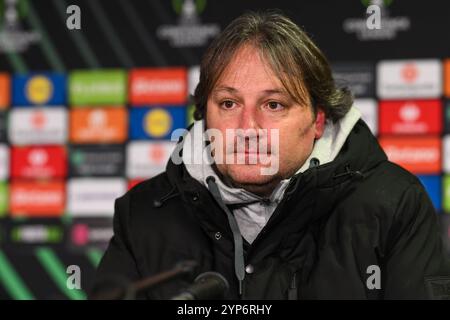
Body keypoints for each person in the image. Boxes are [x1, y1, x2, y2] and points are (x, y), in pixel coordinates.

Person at [92, 11, 450, 299]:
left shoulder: (394, 203)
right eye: (229, 103)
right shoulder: (142, 212)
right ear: (204, 114)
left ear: (317, 120)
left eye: (274, 104)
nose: (248, 127)